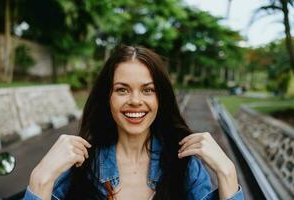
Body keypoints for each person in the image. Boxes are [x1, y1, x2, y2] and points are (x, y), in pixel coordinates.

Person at [24, 46, 244, 200]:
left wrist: (227, 172)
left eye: (148, 90)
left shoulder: (184, 165)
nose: (136, 101)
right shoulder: (80, 165)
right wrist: (40, 177)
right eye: (122, 89)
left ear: (161, 98)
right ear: (107, 97)